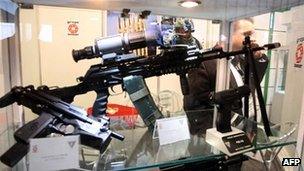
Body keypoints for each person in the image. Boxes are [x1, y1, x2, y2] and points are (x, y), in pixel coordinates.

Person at [183, 18, 269, 135]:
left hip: (244, 126)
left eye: (252, 34)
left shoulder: (241, 57)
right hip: (220, 134)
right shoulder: (204, 62)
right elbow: (193, 107)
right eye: (246, 34)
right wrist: (211, 136)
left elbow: (253, 84)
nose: (252, 38)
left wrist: (258, 57)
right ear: (228, 34)